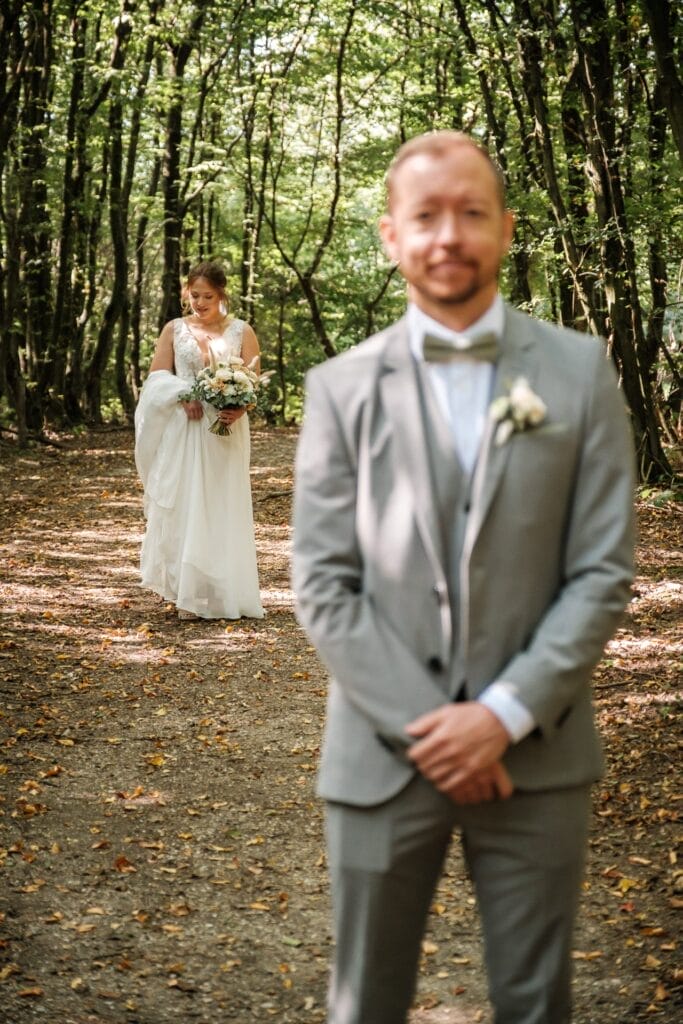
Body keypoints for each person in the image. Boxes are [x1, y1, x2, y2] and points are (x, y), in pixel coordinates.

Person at [292, 131, 635, 1024]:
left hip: (540, 755)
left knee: (534, 1002)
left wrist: (501, 716)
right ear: (390, 237)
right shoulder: (338, 386)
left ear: (505, 229)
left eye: (471, 212)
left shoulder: (578, 371)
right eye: (426, 216)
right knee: (365, 1002)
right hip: (379, 758)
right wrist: (437, 733)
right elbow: (325, 583)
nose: (449, 234)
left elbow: (601, 570)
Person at [135, 260, 264, 620]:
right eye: (195, 295)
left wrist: (241, 408)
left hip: (225, 430)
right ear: (185, 293)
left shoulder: (242, 330)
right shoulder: (174, 330)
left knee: (220, 503)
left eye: (208, 296)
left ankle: (222, 591)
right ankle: (185, 592)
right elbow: (157, 377)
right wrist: (185, 393)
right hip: (186, 427)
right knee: (187, 501)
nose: (200, 302)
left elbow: (255, 384)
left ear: (222, 295)